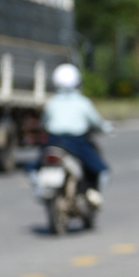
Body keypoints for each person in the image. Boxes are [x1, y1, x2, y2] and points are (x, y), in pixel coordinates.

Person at [41, 63, 112, 199]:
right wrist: (106, 128)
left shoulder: (52, 102)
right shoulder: (83, 102)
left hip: (53, 141)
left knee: (35, 164)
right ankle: (93, 194)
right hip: (77, 142)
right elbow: (96, 122)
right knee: (101, 169)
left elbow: (43, 122)